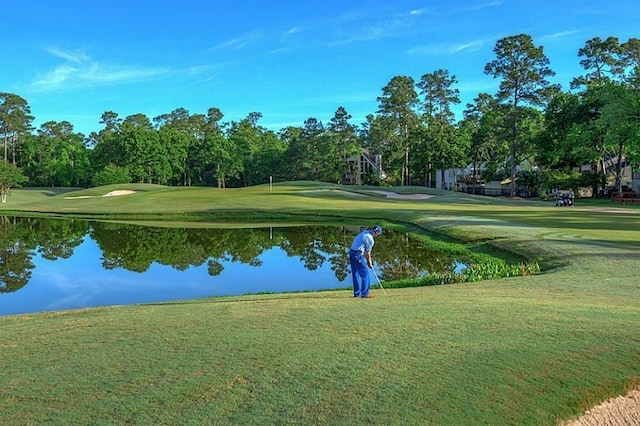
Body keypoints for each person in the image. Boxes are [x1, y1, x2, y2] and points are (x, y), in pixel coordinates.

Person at [349, 225, 382, 298]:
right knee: (365, 274)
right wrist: (369, 263)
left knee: (356, 273)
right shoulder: (370, 239)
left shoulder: (365, 232)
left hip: (352, 252)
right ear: (377, 233)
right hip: (358, 255)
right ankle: (365, 294)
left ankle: (357, 293)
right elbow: (368, 253)